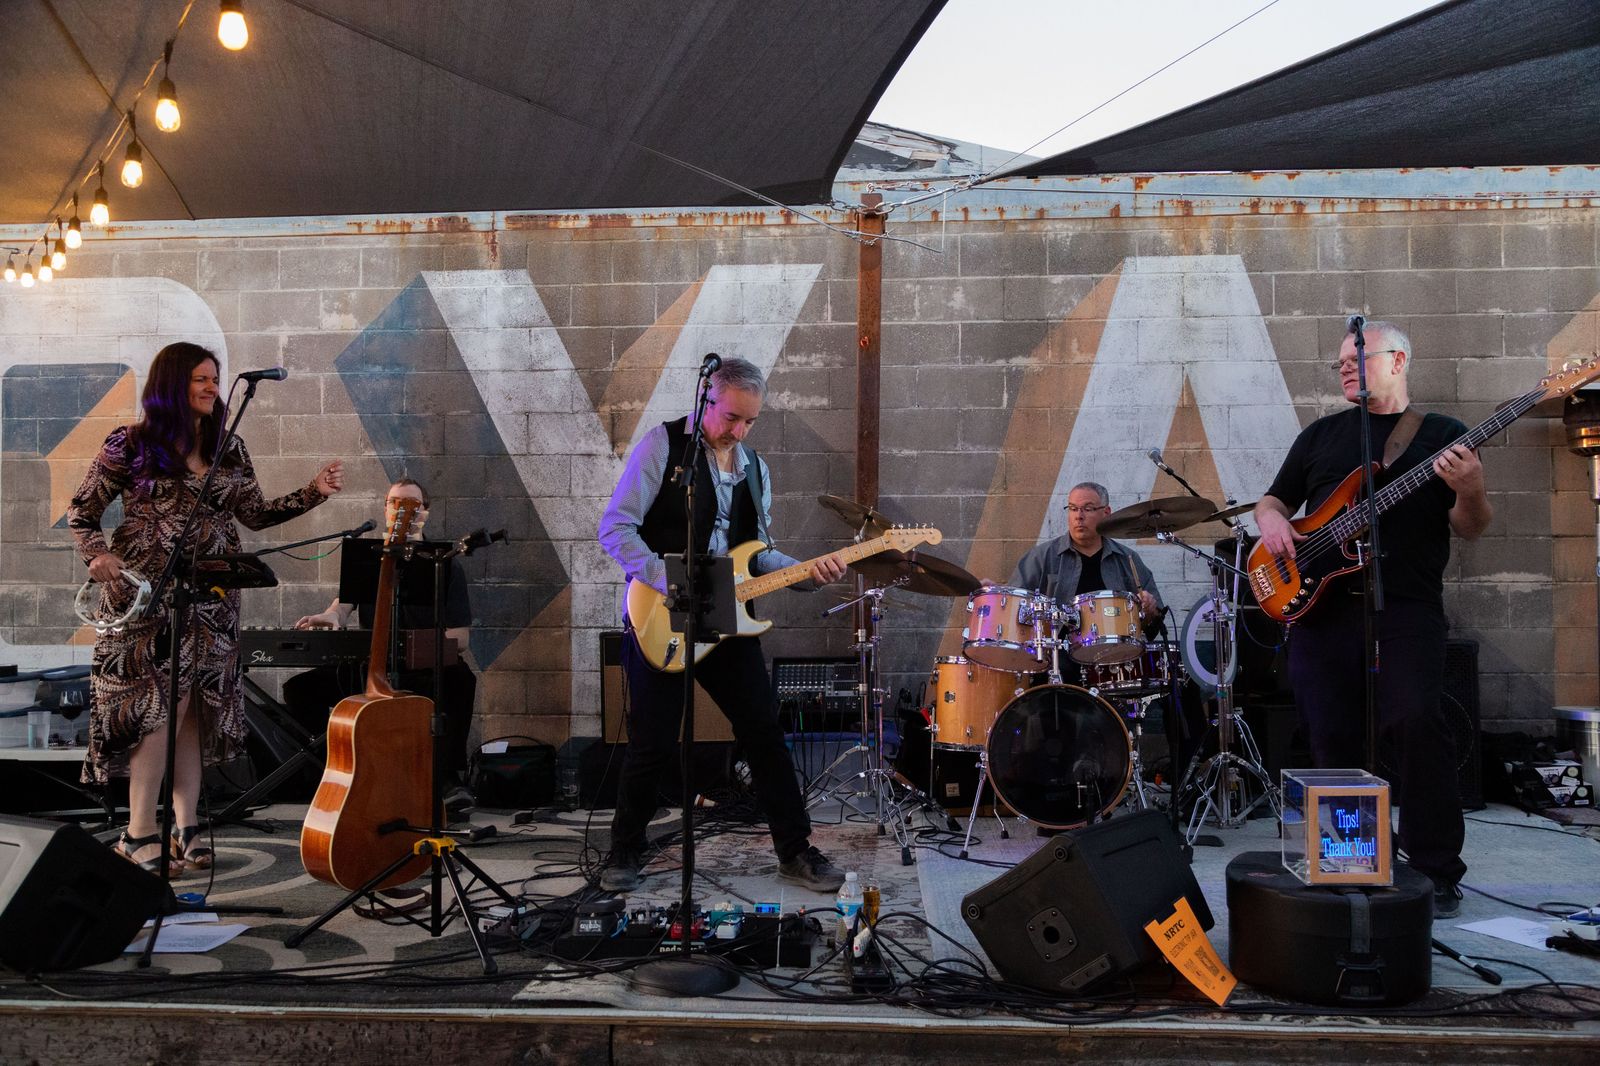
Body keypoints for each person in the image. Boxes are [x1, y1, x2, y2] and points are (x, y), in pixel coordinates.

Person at [68, 342, 343, 875]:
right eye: (201, 378)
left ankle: (186, 826)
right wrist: (97, 554)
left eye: (215, 378)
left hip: (212, 599)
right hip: (145, 598)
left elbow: (255, 515)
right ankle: (138, 832)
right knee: (156, 711)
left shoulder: (228, 446)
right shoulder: (131, 443)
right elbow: (82, 510)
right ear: (172, 383)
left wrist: (313, 491)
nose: (212, 387)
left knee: (194, 711)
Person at [1255, 319, 1492, 919]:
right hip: (1322, 610)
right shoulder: (1321, 436)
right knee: (1330, 735)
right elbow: (1274, 499)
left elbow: (1472, 527)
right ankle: (1350, 858)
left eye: (1356, 357)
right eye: (1340, 361)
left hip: (1406, 606)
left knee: (1417, 723)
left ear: (1398, 361)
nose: (1345, 366)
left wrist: (1470, 489)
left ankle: (1435, 869)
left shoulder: (1443, 435)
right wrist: (1273, 520)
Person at [597, 357, 848, 893]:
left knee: (764, 732)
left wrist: (807, 574)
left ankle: (795, 851)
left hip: (729, 618)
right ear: (707, 399)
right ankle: (624, 851)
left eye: (750, 421)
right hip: (662, 612)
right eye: (731, 417)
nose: (739, 431)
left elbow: (758, 553)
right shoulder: (663, 447)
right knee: (651, 741)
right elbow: (615, 528)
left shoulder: (755, 468)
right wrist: (668, 581)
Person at [287, 478, 477, 815]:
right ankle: (332, 775)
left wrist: (412, 644)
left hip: (423, 668)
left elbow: (461, 638)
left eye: (411, 504)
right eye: (395, 503)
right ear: (386, 509)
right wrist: (330, 616)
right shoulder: (368, 558)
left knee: (461, 680)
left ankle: (448, 781)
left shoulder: (445, 563)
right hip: (370, 667)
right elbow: (342, 606)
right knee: (300, 689)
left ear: (425, 512)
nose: (402, 509)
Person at [1013, 481, 1164, 645]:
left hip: (1116, 655)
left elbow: (1152, 628)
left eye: (1088, 508)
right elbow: (1013, 609)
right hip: (1055, 656)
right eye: (1073, 508)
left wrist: (1150, 610)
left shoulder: (1127, 559)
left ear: (1106, 513)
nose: (1078, 516)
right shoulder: (1041, 557)